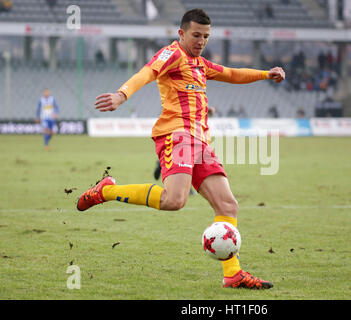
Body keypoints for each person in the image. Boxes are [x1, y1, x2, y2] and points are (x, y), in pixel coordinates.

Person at [77, 8, 285, 290]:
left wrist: (265, 74)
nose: (201, 41)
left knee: (228, 205)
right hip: (177, 136)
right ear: (181, 33)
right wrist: (122, 94)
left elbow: (233, 73)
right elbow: (147, 72)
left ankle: (233, 274)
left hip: (200, 141)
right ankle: (106, 190)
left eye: (206, 36)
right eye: (196, 35)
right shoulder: (172, 54)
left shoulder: (201, 64)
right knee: (174, 201)